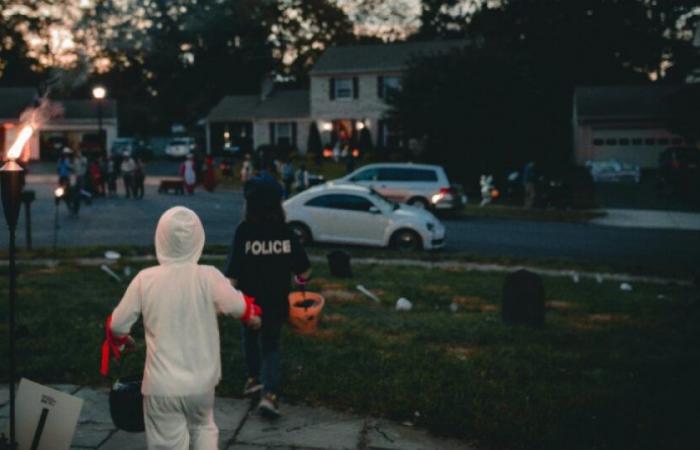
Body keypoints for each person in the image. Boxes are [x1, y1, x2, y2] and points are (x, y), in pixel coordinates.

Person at [105, 206, 261, 449]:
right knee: (204, 428)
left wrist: (123, 339)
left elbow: (116, 325)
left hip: (161, 386)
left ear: (160, 239)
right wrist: (253, 317)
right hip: (200, 385)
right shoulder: (209, 276)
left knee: (167, 441)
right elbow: (240, 307)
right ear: (199, 239)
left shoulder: (145, 279)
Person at [224, 181, 311, 418]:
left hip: (249, 303)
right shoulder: (286, 232)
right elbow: (304, 271)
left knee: (250, 339)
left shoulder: (244, 231)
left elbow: (231, 275)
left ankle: (253, 379)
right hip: (276, 302)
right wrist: (300, 281)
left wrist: (227, 301)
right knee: (271, 346)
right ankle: (270, 395)